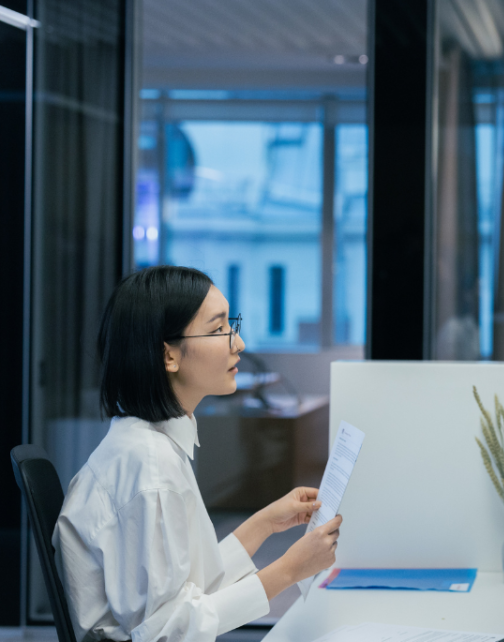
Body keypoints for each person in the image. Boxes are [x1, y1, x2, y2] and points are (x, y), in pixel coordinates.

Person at [53, 266, 343, 641]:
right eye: (219, 329)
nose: (238, 343)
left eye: (231, 325)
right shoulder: (150, 467)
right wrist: (289, 569)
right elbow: (166, 630)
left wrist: (265, 524)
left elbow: (188, 589)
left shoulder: (145, 445)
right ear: (168, 355)